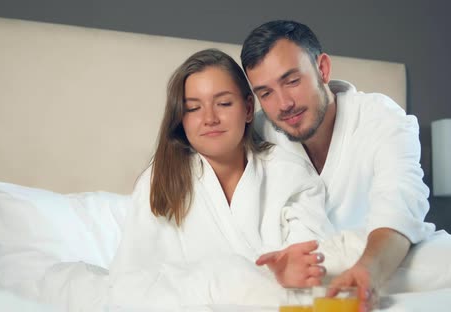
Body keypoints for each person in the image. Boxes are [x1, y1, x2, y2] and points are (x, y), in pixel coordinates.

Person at [240, 20, 451, 311]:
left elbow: (398, 204)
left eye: (292, 80)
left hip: (397, 259)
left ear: (322, 69)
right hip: (315, 276)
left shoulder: (381, 117)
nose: (283, 104)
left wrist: (367, 271)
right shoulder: (258, 134)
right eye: (266, 93)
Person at [107, 49, 336, 308]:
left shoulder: (291, 177)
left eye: (224, 103)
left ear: (248, 108)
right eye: (193, 108)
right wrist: (262, 279)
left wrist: (292, 276)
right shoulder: (159, 179)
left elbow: (314, 268)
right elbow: (132, 281)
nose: (209, 119)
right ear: (181, 119)